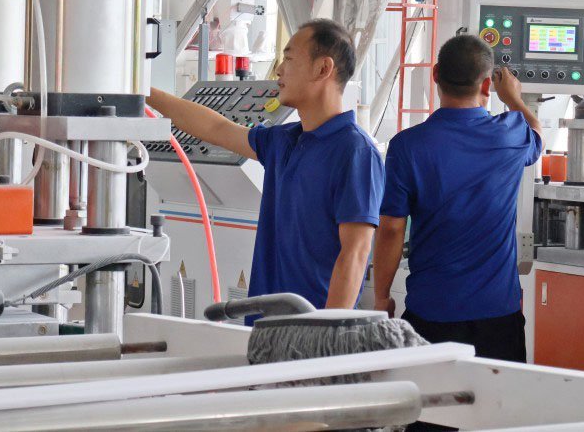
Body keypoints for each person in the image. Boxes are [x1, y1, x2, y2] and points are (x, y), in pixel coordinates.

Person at [147, 19, 382, 314]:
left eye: (289, 59)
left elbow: (355, 254)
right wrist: (143, 92)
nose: (279, 70)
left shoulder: (355, 152)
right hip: (266, 321)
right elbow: (217, 128)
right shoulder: (283, 141)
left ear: (323, 68)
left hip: (312, 325)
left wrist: (326, 330)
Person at [372, 34, 542, 362]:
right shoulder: (510, 133)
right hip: (498, 315)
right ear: (486, 85)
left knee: (427, 396)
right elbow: (537, 133)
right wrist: (514, 99)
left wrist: (381, 296)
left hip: (431, 312)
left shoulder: (407, 145)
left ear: (435, 74)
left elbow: (391, 228)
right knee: (497, 396)